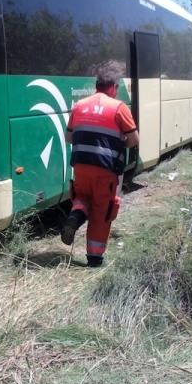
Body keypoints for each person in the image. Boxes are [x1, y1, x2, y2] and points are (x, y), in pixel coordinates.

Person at [61, 63, 139, 267]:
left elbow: (69, 137)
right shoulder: (119, 108)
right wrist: (119, 138)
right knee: (101, 212)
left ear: (97, 86)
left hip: (80, 166)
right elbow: (133, 140)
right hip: (105, 168)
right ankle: (94, 258)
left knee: (83, 197)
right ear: (113, 86)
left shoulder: (79, 105)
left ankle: (75, 217)